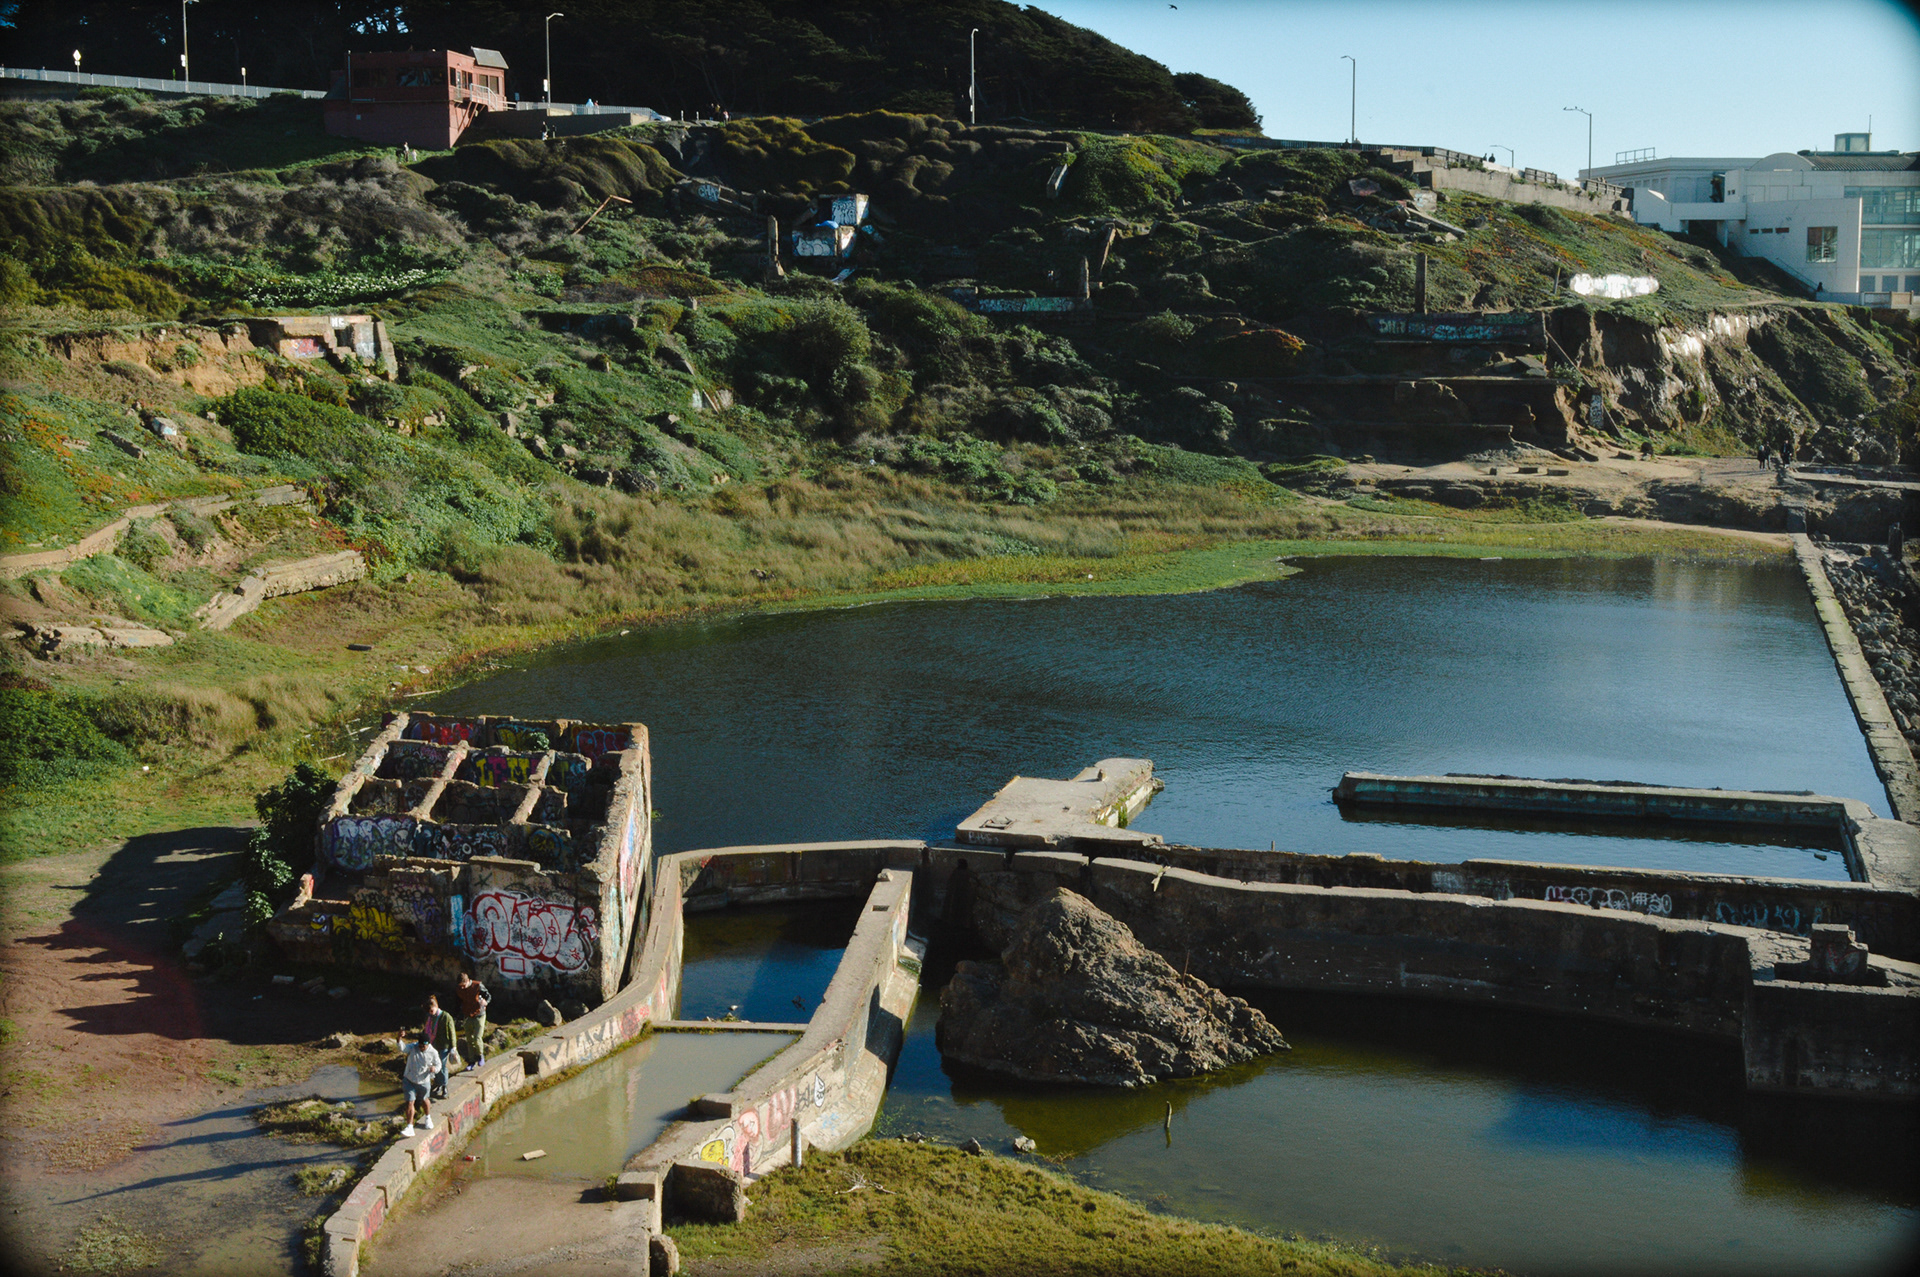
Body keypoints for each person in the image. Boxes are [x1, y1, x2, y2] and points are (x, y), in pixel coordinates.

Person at [397, 1033, 440, 1137]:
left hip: (423, 1081)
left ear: (428, 1044)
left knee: (424, 1100)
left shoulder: (433, 1052)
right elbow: (402, 1048)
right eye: (420, 1046)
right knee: (410, 1102)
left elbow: (438, 1064)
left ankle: (428, 1117)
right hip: (410, 1079)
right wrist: (399, 1038)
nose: (421, 1048)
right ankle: (409, 1127)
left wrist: (434, 1069)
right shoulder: (413, 1047)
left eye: (423, 1046)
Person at [422, 994, 458, 1099]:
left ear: (436, 1006)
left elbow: (452, 1032)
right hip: (433, 1045)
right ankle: (438, 1085)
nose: (430, 1013)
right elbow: (426, 1030)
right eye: (429, 1012)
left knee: (441, 1066)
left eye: (431, 1011)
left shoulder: (446, 1016)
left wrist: (453, 1047)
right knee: (434, 1066)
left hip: (444, 1046)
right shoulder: (430, 1017)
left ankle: (444, 1087)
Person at [455, 971, 491, 1068]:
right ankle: (471, 1061)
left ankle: (480, 1056)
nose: (462, 988)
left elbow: (488, 995)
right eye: (460, 986)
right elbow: (458, 1002)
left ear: (467, 981)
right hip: (467, 1015)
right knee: (469, 1039)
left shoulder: (477, 985)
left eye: (463, 985)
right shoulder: (459, 989)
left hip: (479, 1014)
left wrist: (485, 1001)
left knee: (477, 1038)